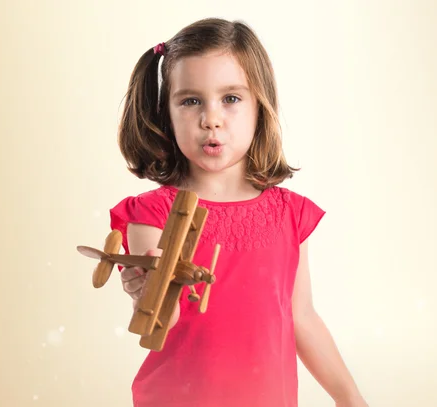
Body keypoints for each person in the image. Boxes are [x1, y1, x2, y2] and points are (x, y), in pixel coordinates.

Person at [108, 17, 368, 407]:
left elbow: (302, 317)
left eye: (230, 98)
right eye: (190, 100)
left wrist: (350, 398)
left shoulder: (288, 214)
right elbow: (163, 319)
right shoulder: (153, 214)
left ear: (259, 106)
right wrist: (149, 290)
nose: (210, 118)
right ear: (167, 114)